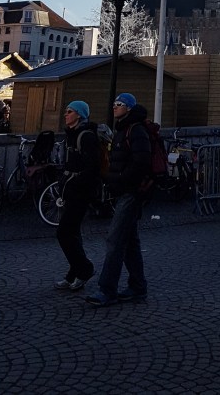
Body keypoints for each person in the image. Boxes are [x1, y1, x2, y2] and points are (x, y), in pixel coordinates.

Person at [86, 93, 151, 307]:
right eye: (114, 103)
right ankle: (138, 286)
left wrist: (122, 179)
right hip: (124, 190)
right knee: (130, 241)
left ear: (129, 108)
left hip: (131, 191)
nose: (115, 107)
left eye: (119, 104)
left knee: (115, 240)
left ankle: (107, 289)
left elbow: (142, 161)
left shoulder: (136, 130)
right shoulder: (123, 129)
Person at [54, 101, 99, 291]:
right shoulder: (72, 135)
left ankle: (85, 269)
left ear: (79, 115)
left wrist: (73, 181)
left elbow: (92, 168)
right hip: (71, 191)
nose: (66, 114)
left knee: (64, 232)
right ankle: (75, 273)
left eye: (69, 111)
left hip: (80, 193)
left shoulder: (86, 137)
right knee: (72, 234)